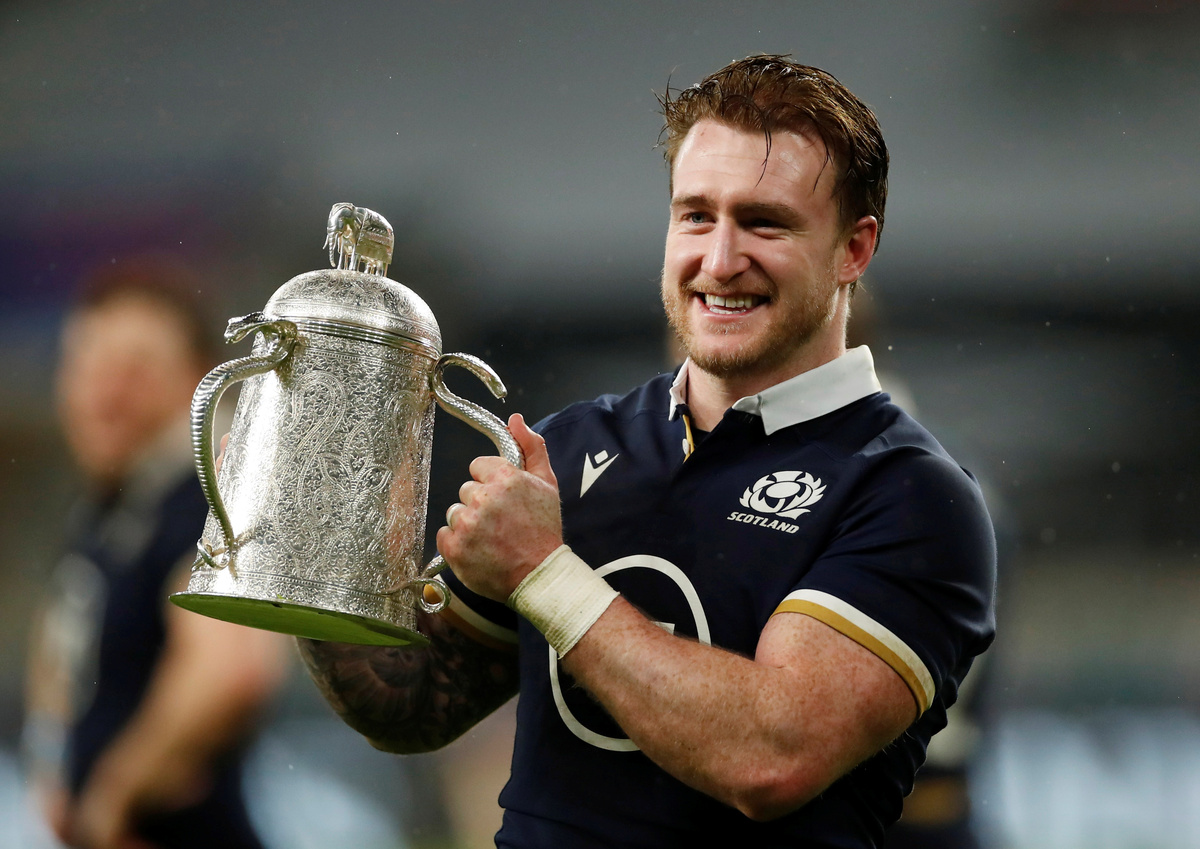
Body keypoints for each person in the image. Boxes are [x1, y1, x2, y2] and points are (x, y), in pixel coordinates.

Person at [299, 55, 997, 848]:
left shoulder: (914, 495)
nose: (719, 260)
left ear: (854, 249)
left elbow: (771, 757)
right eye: (696, 215)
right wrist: (307, 502)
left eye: (764, 223)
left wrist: (544, 575)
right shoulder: (570, 448)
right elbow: (408, 699)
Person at [23, 258, 288, 849]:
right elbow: (62, 641)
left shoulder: (202, 503)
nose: (103, 393)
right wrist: (53, 765)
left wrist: (113, 794)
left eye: (134, 369)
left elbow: (232, 670)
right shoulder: (116, 505)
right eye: (87, 365)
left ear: (199, 382)